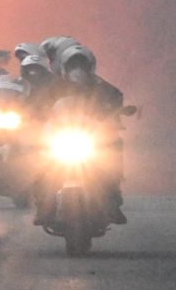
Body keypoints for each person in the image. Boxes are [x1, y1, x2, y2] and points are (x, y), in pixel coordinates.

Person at [33, 45, 128, 225]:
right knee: (40, 161)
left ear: (89, 67)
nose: (78, 69)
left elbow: (116, 98)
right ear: (65, 67)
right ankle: (43, 206)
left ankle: (113, 203)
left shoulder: (102, 86)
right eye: (73, 64)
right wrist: (36, 115)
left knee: (114, 148)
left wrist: (116, 112)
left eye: (82, 65)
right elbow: (38, 104)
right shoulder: (54, 86)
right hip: (60, 134)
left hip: (91, 134)